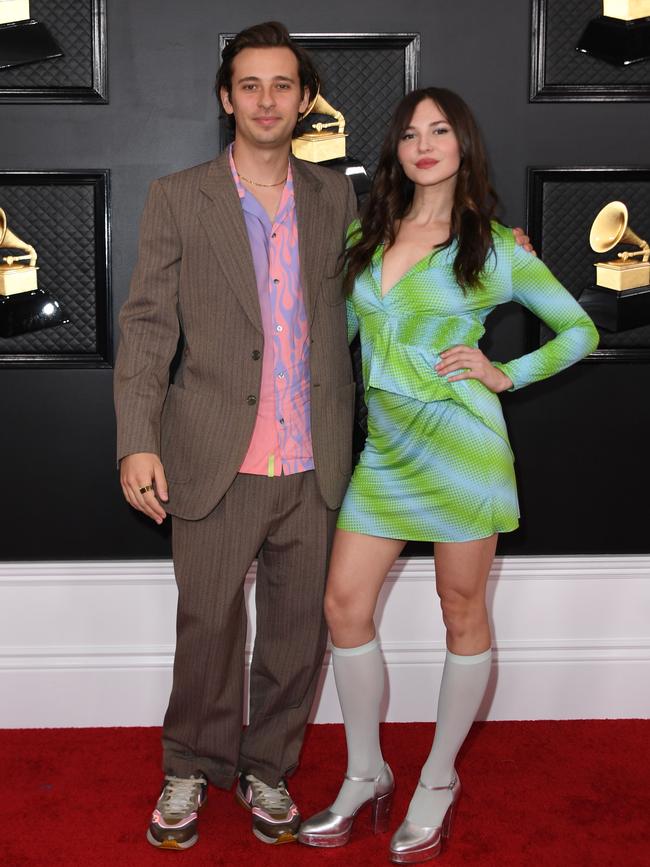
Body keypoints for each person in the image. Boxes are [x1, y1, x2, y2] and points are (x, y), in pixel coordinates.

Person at [298, 87, 598, 863]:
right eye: (408, 132)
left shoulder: (497, 247)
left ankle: (437, 776)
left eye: (439, 130)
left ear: (463, 143)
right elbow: (338, 325)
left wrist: (507, 373)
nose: (423, 143)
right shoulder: (367, 229)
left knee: (460, 609)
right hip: (387, 453)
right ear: (394, 149)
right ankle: (367, 770)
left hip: (463, 451)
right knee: (342, 604)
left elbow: (580, 328)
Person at [113, 21, 358, 849]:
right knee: (209, 624)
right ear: (227, 99)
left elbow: (388, 288)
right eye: (249, 85)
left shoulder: (337, 197)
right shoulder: (178, 197)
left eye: (282, 85)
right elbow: (147, 327)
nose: (266, 99)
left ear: (303, 98)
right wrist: (136, 438)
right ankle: (190, 763)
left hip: (316, 453)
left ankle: (267, 767)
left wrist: (487, 252)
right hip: (215, 450)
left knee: (298, 632)